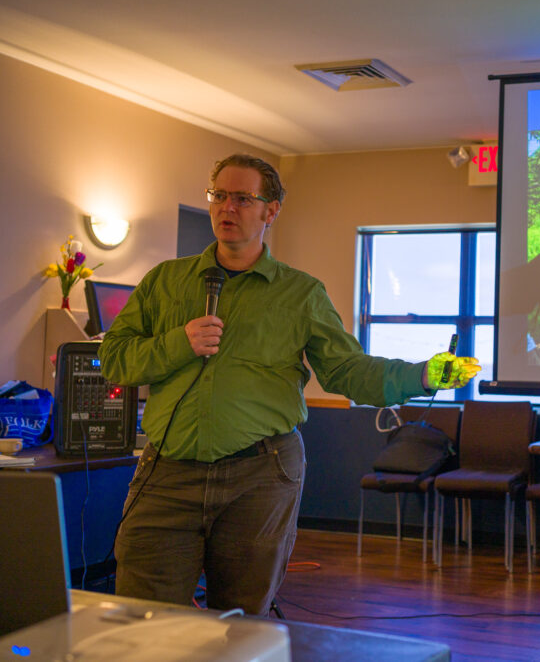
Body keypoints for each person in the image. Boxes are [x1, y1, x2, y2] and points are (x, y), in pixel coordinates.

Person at [98, 153, 479, 615]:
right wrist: (180, 343)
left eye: (243, 198)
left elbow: (347, 371)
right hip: (167, 474)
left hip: (259, 477)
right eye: (219, 196)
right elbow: (114, 359)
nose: (227, 207)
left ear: (270, 210)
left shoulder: (300, 294)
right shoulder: (165, 281)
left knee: (239, 622)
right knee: (144, 620)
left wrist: (420, 374)